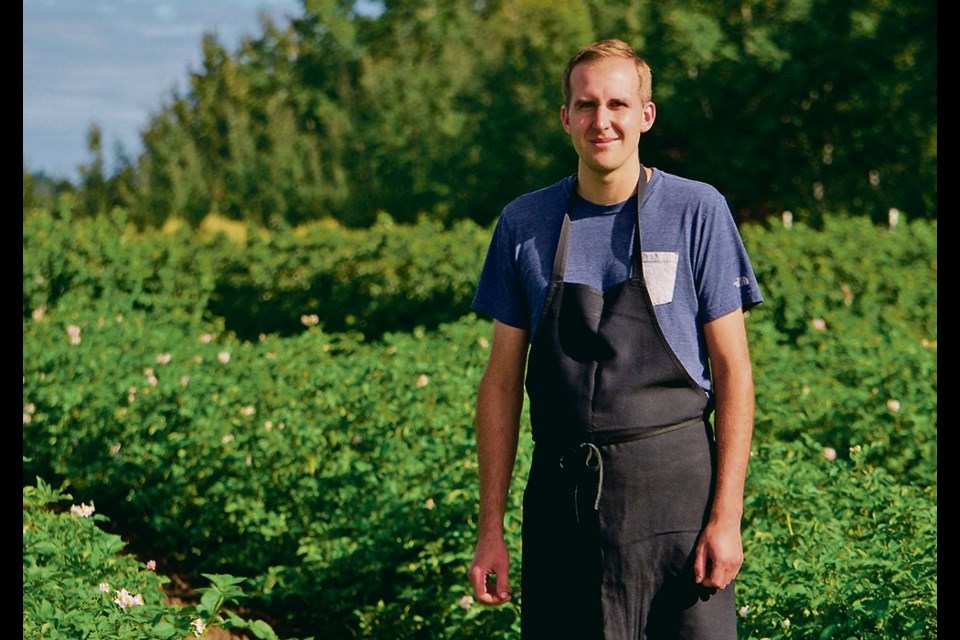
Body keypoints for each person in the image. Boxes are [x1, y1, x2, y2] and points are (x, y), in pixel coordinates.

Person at [466, 38, 763, 639]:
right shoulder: (524, 224)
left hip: (675, 502)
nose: (602, 121)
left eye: (618, 105)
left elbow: (733, 372)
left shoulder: (695, 211)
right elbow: (501, 384)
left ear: (645, 115)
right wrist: (489, 529)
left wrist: (726, 517)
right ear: (566, 117)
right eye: (586, 105)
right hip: (561, 504)